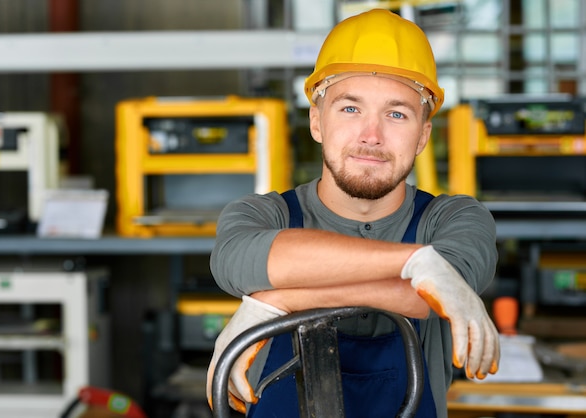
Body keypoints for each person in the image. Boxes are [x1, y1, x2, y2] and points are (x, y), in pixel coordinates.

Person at [206, 8, 500, 418]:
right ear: (316, 122)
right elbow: (238, 260)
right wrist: (415, 261)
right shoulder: (261, 215)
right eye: (349, 109)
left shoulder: (454, 220)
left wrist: (276, 301)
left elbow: (429, 297)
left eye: (397, 114)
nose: (371, 136)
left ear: (422, 136)